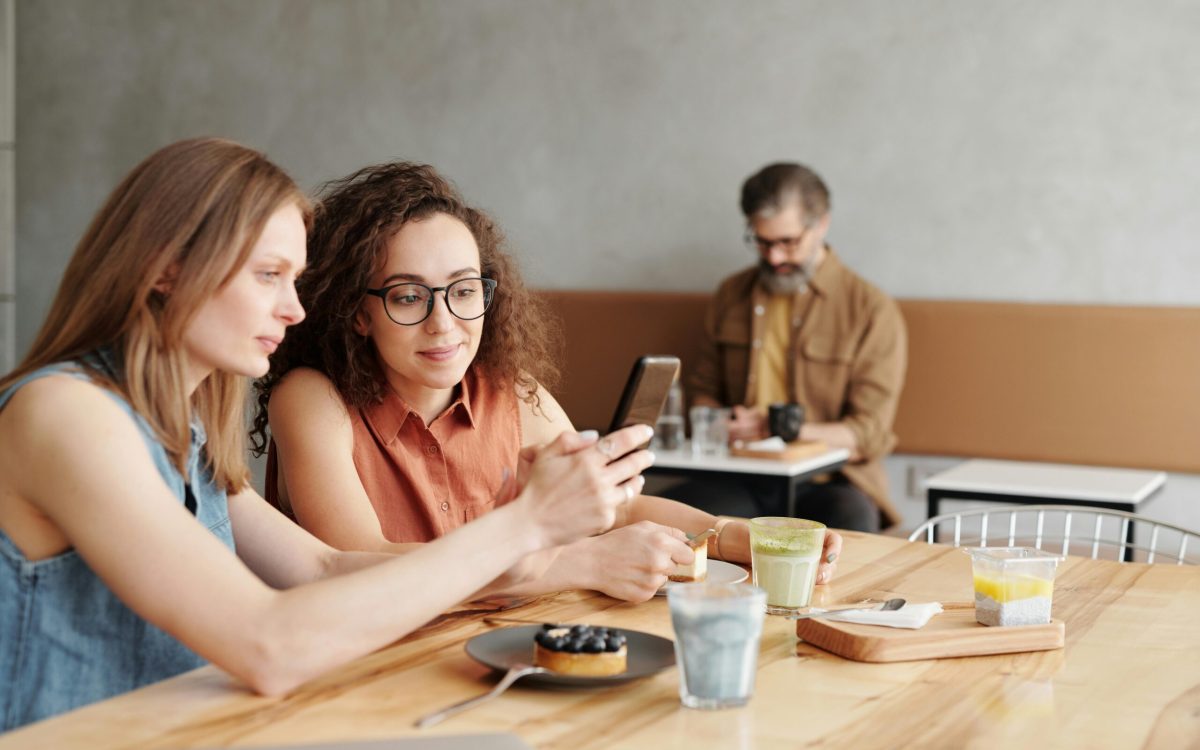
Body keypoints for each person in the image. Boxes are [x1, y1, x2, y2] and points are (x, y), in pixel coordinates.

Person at [0, 138, 651, 730]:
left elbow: (324, 568)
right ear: (167, 269)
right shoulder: (66, 414)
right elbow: (267, 645)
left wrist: (515, 553)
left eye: (294, 278)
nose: (295, 308)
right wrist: (523, 527)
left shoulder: (181, 428)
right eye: (268, 275)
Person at [251, 162, 843, 602]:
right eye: (408, 296)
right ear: (358, 311)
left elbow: (615, 509)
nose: (444, 324)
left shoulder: (511, 390)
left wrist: (743, 539)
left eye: (462, 291)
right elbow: (359, 566)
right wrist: (577, 564)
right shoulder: (311, 397)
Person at [686, 162, 907, 531]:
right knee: (683, 519)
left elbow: (869, 432)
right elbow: (703, 391)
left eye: (788, 242)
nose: (774, 258)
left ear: (821, 224)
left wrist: (776, 428)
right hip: (740, 477)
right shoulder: (730, 295)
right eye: (761, 241)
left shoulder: (870, 308)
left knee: (849, 523)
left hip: (832, 483)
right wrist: (719, 422)